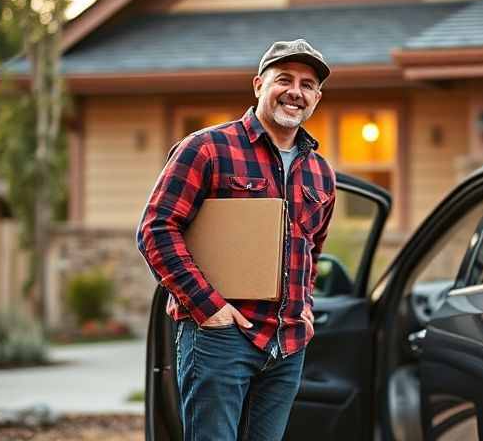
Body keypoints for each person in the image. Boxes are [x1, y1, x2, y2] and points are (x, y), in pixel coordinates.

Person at [136, 39, 335, 441]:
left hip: (287, 343)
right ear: (259, 85)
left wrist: (306, 309)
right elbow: (156, 230)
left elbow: (311, 250)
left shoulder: (321, 172)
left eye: (307, 84)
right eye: (284, 79)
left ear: (317, 96)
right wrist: (210, 310)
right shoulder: (207, 148)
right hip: (220, 338)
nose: (295, 91)